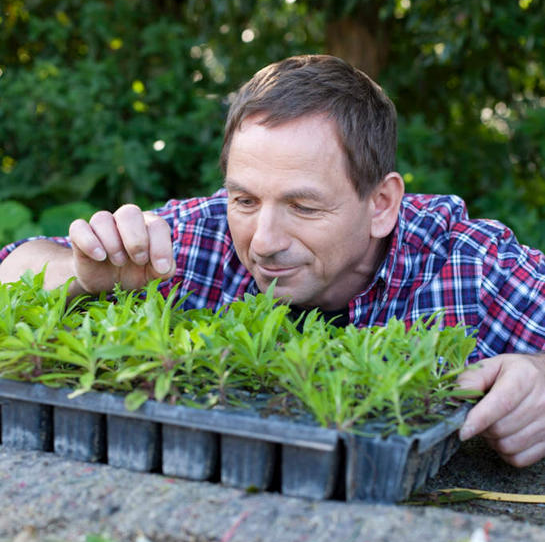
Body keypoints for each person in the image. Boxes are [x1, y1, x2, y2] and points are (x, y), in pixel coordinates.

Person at [1, 54, 545, 466]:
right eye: (245, 199)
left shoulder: (469, 266)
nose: (262, 240)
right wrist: (79, 274)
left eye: (303, 206)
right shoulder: (198, 238)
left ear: (381, 204)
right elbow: (13, 265)